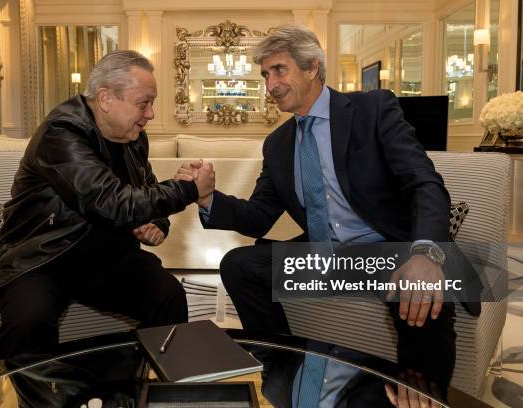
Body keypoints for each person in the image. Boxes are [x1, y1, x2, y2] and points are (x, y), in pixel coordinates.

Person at [176, 24, 480, 396]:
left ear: (312, 68)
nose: (270, 85)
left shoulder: (373, 109)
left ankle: (425, 397)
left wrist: (426, 253)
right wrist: (207, 198)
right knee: (238, 265)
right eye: (265, 75)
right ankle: (281, 366)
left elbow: (424, 184)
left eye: (279, 70)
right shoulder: (278, 143)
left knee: (418, 294)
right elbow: (259, 216)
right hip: (328, 257)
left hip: (387, 249)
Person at [0, 50, 215, 361]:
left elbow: (143, 191)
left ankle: (159, 383)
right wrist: (188, 189)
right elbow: (111, 202)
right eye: (143, 103)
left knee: (168, 295)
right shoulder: (62, 132)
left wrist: (157, 223)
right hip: (44, 258)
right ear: (106, 98)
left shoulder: (133, 137)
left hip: (106, 255)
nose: (150, 113)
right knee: (28, 324)